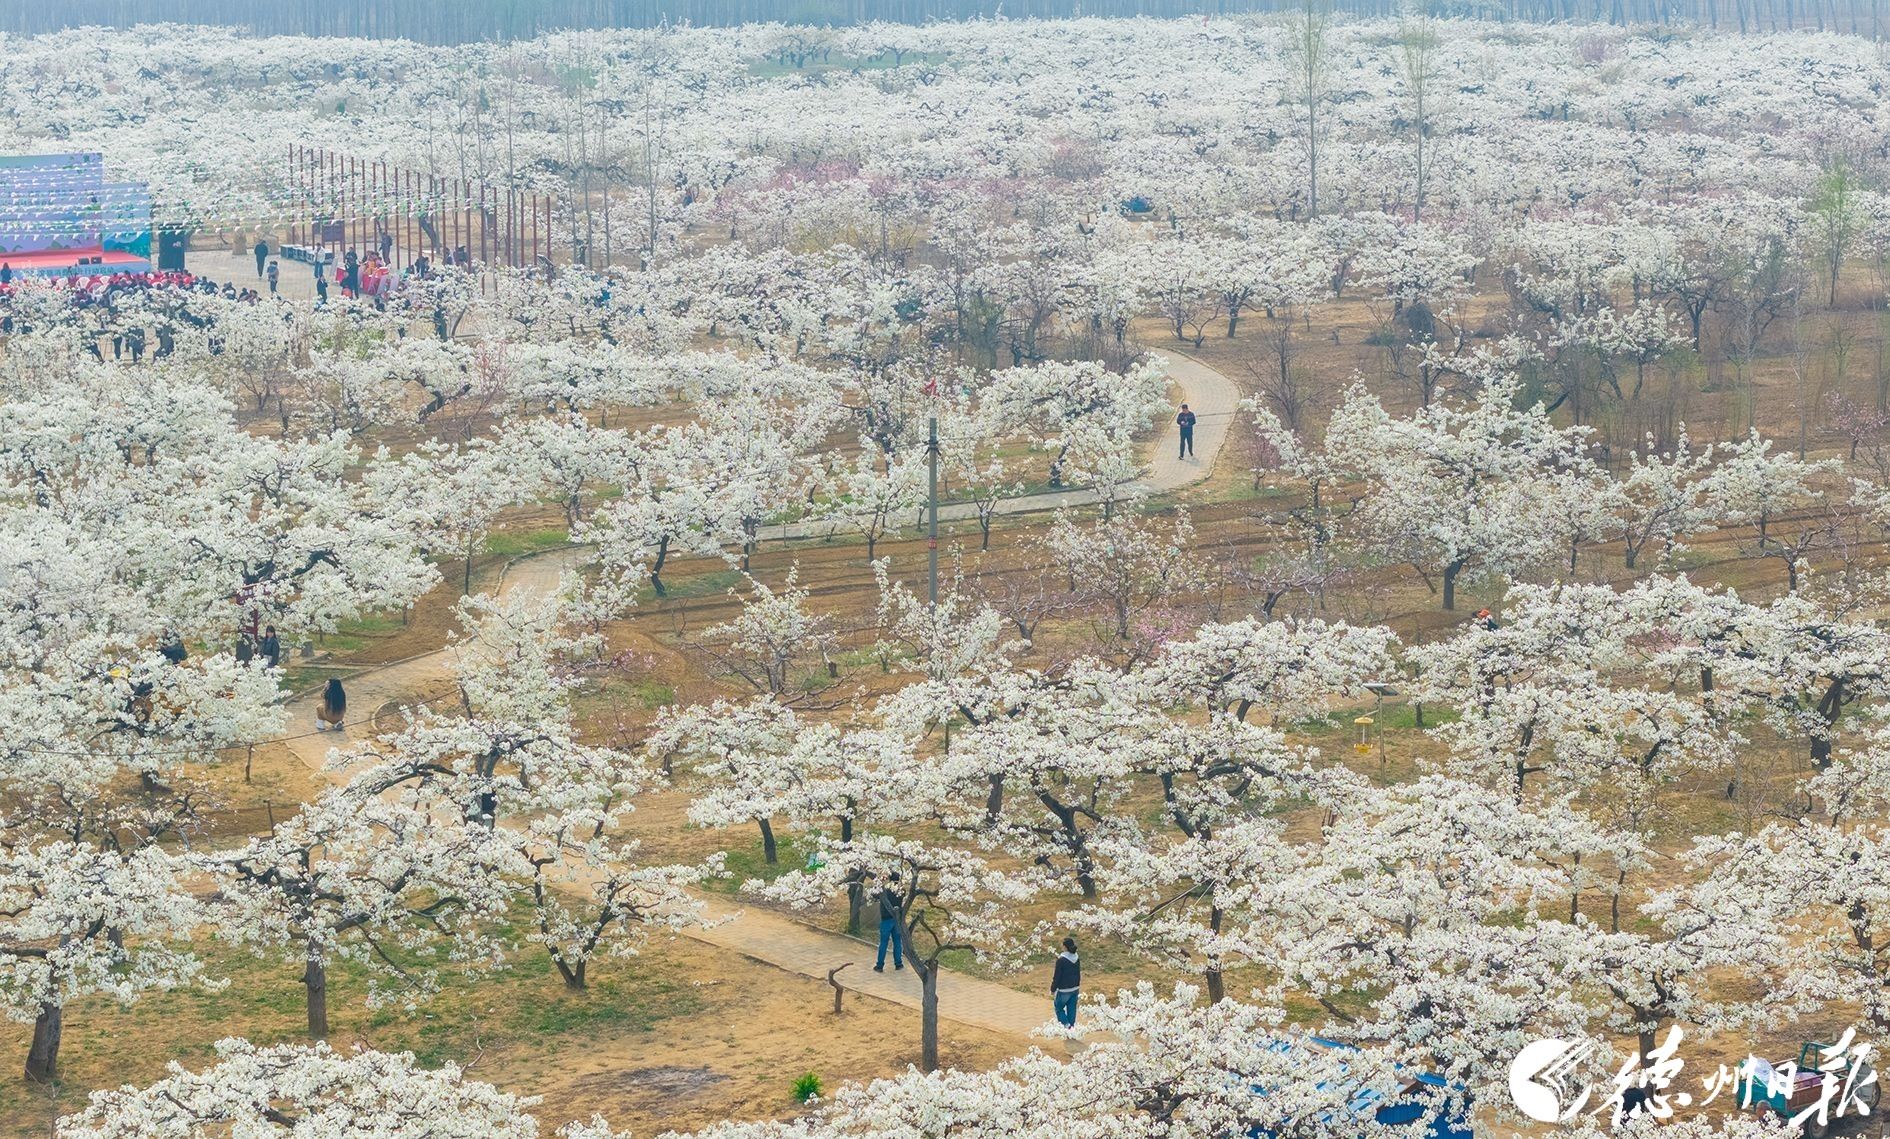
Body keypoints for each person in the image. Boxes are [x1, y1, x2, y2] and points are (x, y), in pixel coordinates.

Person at [873, 872, 905, 972]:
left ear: (889, 879)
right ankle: (898, 964)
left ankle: (879, 966)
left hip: (886, 919)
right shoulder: (901, 890)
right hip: (897, 919)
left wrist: (879, 882)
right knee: (897, 942)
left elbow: (874, 895)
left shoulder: (885, 890)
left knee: (883, 943)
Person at [1051, 936, 1081, 1027]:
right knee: (1072, 1010)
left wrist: (1053, 989)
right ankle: (1072, 1027)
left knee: (1059, 1008)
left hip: (1064, 990)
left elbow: (1057, 976)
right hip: (1075, 988)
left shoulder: (1061, 960)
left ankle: (1066, 1026)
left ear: (1065, 947)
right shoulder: (1076, 958)